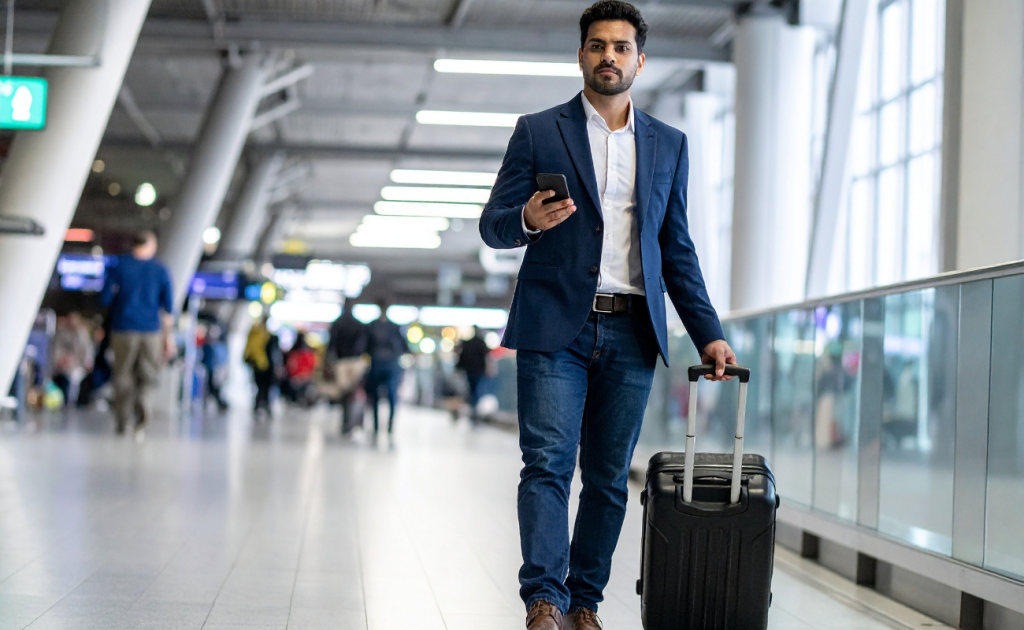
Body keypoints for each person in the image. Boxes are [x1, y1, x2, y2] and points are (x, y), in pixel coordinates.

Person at [478, 3, 738, 628]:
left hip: (631, 330)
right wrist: (525, 220)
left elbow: (676, 247)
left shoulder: (669, 144)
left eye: (621, 47)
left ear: (640, 61)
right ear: (581, 55)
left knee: (607, 477)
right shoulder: (538, 131)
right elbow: (492, 225)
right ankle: (544, 599)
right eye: (597, 45)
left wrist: (708, 333)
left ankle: (584, 603)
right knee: (547, 464)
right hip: (553, 327)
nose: (609, 56)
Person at [100, 231, 174, 440]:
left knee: (122, 374)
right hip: (151, 330)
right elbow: (168, 307)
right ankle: (143, 402)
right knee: (149, 373)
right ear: (150, 245)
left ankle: (123, 422)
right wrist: (167, 338)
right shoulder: (160, 269)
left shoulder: (119, 265)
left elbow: (105, 297)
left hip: (122, 328)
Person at [357, 299, 409, 439]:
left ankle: (378, 427)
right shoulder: (394, 327)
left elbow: (363, 347)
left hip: (378, 364)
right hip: (389, 365)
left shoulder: (372, 326)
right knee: (390, 396)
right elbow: (404, 346)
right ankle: (388, 427)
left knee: (377, 397)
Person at [326, 305, 368, 434]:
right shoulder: (359, 324)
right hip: (355, 361)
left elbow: (331, 343)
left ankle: (346, 422)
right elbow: (364, 343)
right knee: (353, 391)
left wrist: (328, 361)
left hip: (341, 361)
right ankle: (351, 422)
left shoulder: (337, 323)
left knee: (344, 392)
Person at [50, 312, 94, 407]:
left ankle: (72, 401)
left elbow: (87, 352)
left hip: (78, 364)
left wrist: (84, 362)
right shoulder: (61, 333)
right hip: (63, 364)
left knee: (76, 377)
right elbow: (56, 349)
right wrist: (61, 359)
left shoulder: (82, 334)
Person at [244, 316, 280, 417]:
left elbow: (248, 348)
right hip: (264, 365)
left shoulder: (255, 333)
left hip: (259, 365)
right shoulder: (265, 335)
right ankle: (264, 406)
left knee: (261, 387)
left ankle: (260, 406)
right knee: (264, 387)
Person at [456, 327, 490, 422]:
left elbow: (462, 356)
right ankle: (474, 409)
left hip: (469, 370)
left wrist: (459, 368)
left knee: (471, 389)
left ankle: (472, 407)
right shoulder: (481, 343)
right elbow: (485, 357)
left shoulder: (468, 343)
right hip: (478, 370)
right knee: (476, 389)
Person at [201, 321, 229, 412]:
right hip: (209, 369)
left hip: (215, 370)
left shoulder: (219, 346)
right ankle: (210, 402)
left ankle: (220, 403)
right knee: (209, 387)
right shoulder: (208, 345)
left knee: (214, 388)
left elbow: (222, 359)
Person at [283, 332, 317, 406]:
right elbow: (291, 368)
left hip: (303, 379)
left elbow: (311, 368)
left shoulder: (305, 354)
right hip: (296, 379)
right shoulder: (296, 354)